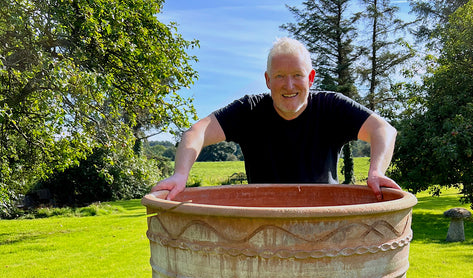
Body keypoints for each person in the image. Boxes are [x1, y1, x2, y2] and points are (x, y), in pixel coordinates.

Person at [152, 37, 401, 201]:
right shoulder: (249, 110)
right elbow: (196, 132)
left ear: (311, 78)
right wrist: (180, 175)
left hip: (324, 220)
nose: (289, 85)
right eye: (280, 76)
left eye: (297, 75)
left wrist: (376, 171)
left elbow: (384, 130)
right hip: (263, 223)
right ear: (268, 80)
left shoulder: (331, 106)